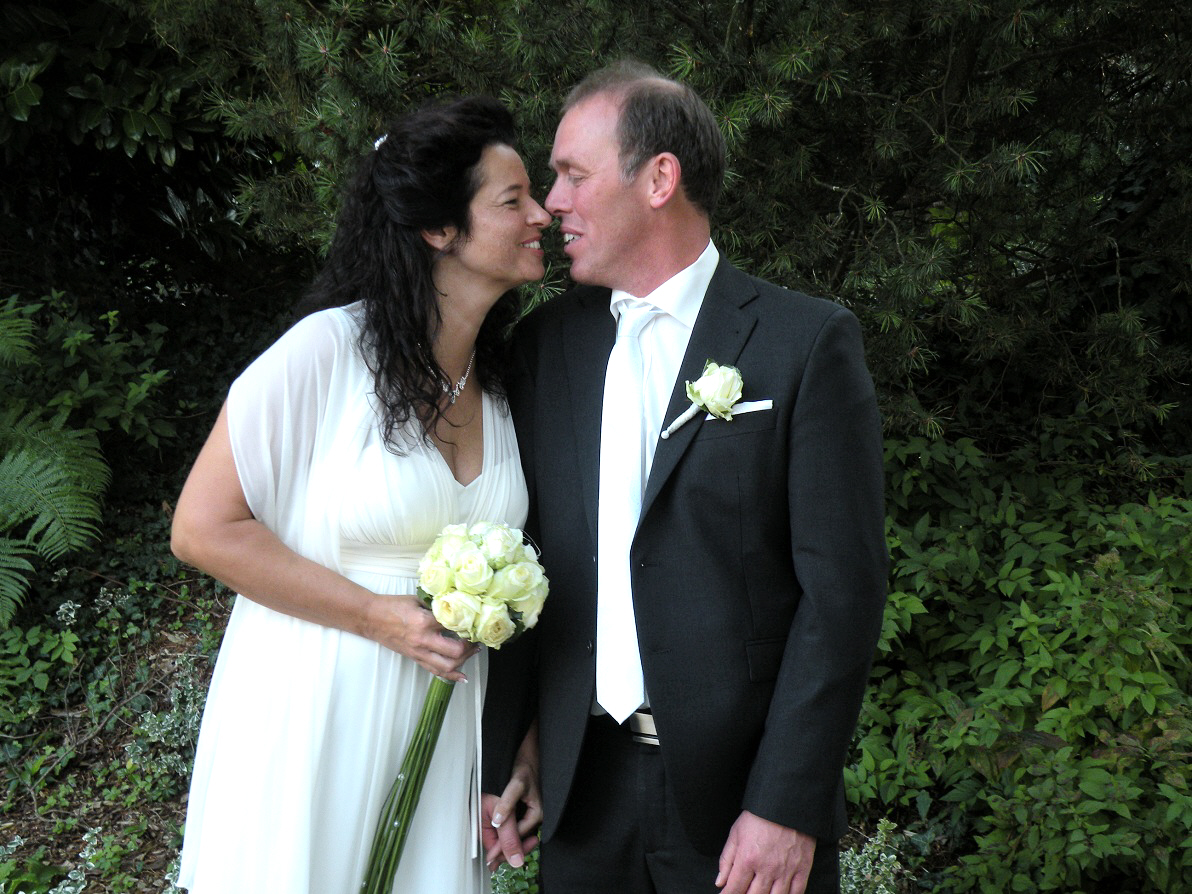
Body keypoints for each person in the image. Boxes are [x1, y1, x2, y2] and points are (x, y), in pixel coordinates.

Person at [482, 61, 889, 894]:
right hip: (581, 797)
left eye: (573, 174)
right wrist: (513, 748)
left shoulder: (803, 343)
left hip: (742, 807)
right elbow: (528, 558)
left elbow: (842, 594)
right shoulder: (544, 348)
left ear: (659, 179)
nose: (551, 202)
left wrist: (786, 804)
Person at [171, 96, 550, 894]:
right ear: (439, 229)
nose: (542, 215)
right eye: (514, 200)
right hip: (316, 712)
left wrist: (516, 742)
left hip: (441, 732)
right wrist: (377, 616)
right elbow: (202, 529)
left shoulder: (502, 385)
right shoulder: (326, 353)